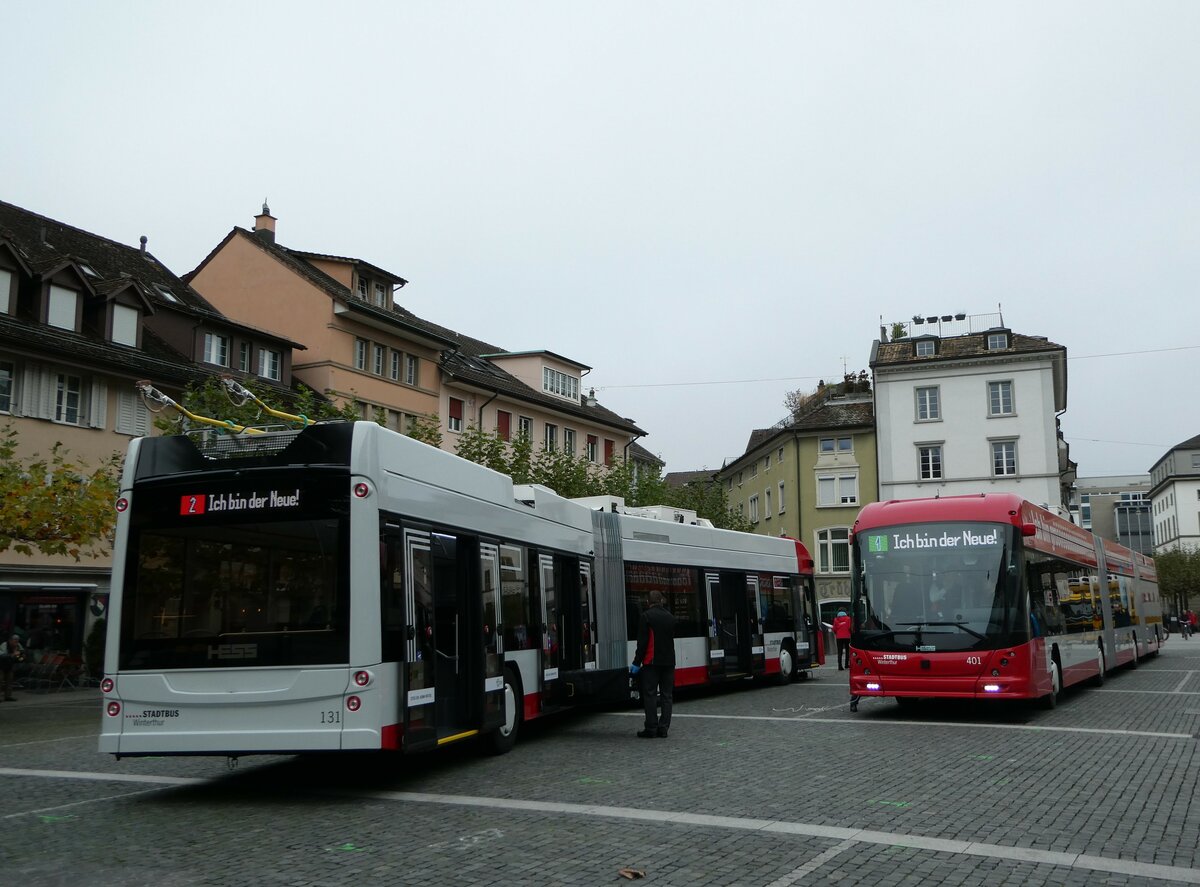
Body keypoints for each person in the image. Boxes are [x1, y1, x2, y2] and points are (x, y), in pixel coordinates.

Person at [629, 590, 676, 738]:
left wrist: (636, 663)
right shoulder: (670, 617)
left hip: (652, 662)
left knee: (650, 695)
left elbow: (642, 644)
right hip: (669, 662)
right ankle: (663, 728)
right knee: (667, 696)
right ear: (661, 601)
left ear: (648, 602)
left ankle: (651, 728)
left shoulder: (646, 617)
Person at [0, 632, 26, 701]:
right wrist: (13, 654)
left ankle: (8, 696)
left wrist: (22, 658)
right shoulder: (4, 645)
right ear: (10, 640)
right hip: (1, 665)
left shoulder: (18, 645)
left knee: (10, 681)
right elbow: (2, 656)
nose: (16, 642)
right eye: (15, 640)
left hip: (10, 665)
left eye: (17, 640)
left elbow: (21, 656)